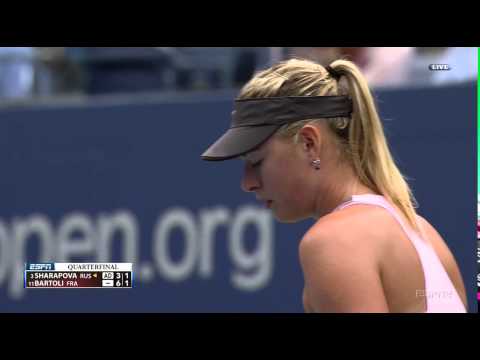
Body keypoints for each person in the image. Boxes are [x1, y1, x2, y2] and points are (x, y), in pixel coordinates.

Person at [201, 58, 467, 313]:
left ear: (309, 143)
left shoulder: (332, 242)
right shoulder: (424, 232)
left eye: (256, 161)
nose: (247, 183)